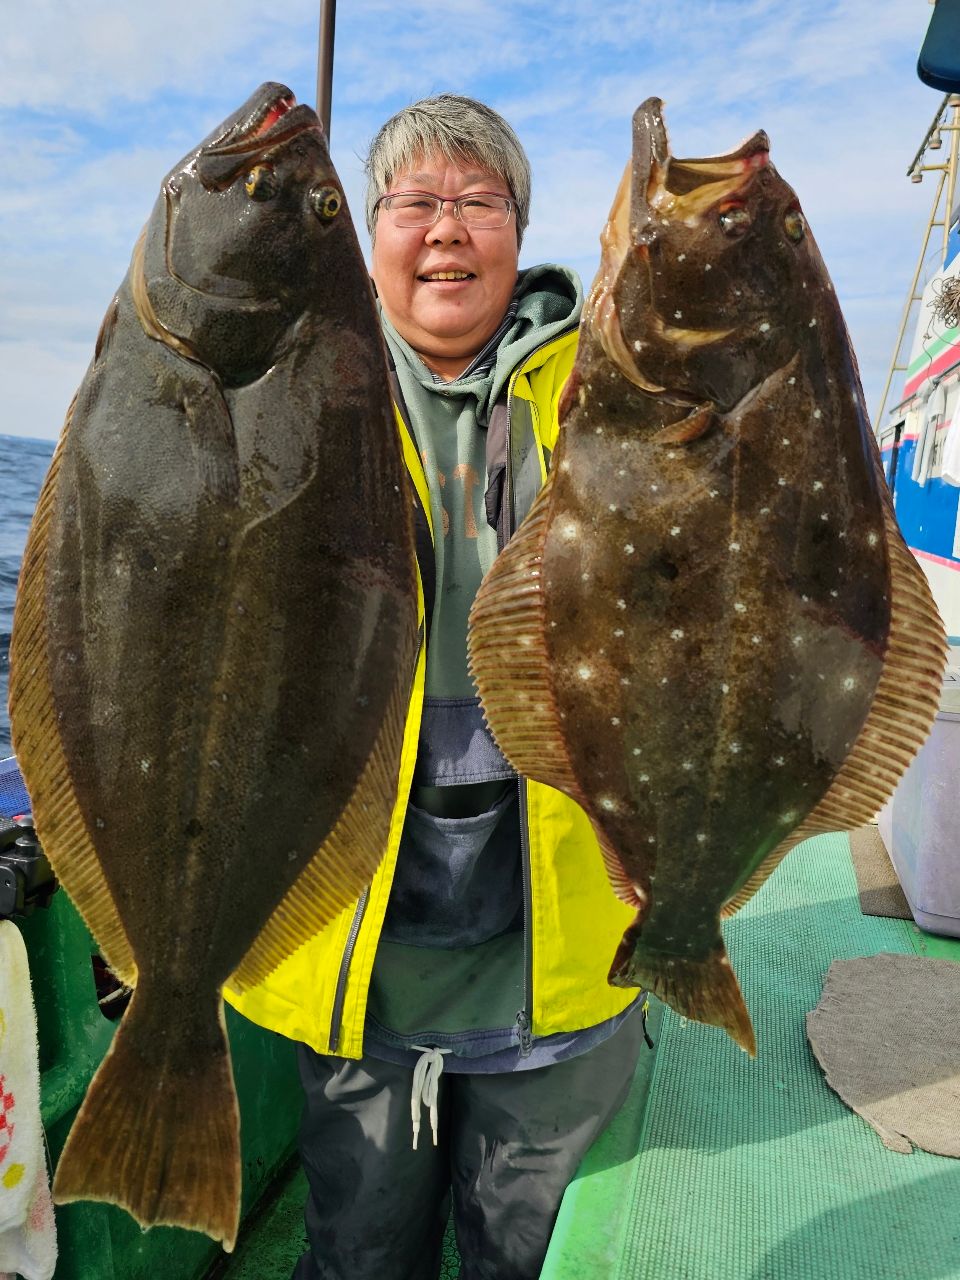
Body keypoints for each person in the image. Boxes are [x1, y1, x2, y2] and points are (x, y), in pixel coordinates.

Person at [227, 94, 646, 1280]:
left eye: (477, 202)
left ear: (521, 230)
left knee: (537, 1256)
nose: (446, 230)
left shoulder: (617, 385)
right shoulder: (295, 382)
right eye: (415, 203)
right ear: (371, 235)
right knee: (359, 1247)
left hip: (565, 948)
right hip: (355, 944)